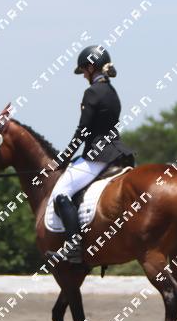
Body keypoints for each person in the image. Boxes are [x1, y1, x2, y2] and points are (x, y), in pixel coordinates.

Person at [48, 45, 134, 264]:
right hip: (118, 152)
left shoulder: (92, 92)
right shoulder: (112, 91)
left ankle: (73, 248)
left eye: (84, 71)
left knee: (61, 194)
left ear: (90, 67)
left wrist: (64, 157)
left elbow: (83, 131)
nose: (83, 76)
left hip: (99, 155)